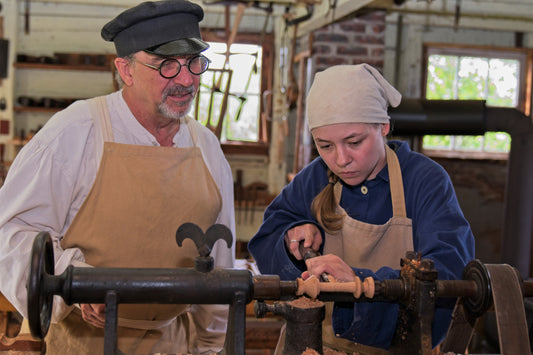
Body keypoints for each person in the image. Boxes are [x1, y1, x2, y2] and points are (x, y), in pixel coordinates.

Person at [0, 1, 235, 354]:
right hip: (87, 343)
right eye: (167, 65)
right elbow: (11, 233)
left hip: (174, 343)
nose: (187, 80)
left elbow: (220, 266)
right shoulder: (76, 132)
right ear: (125, 69)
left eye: (194, 63)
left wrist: (212, 346)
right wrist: (74, 281)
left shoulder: (206, 147)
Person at [248, 64, 475, 352]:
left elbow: (449, 271)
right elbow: (269, 235)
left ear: (383, 127)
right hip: (317, 345)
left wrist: (359, 282)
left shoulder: (423, 181)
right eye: (325, 145)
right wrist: (290, 238)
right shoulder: (315, 178)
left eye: (354, 142)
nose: (341, 159)